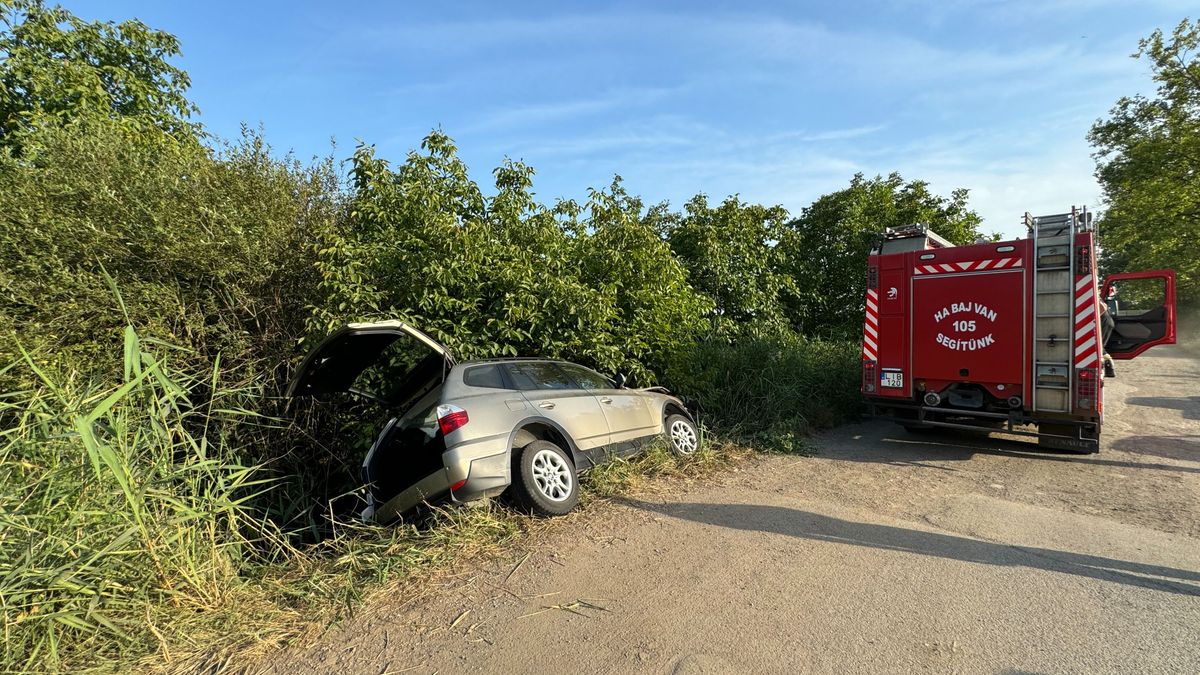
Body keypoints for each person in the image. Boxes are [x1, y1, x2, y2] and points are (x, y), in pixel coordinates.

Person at [1100, 301, 1116, 378]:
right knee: (1100, 346)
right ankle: (1110, 369)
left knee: (1099, 347)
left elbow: (1102, 308)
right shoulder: (1097, 297)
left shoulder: (1089, 294)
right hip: (1107, 321)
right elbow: (1104, 306)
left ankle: (1109, 367)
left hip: (1103, 322)